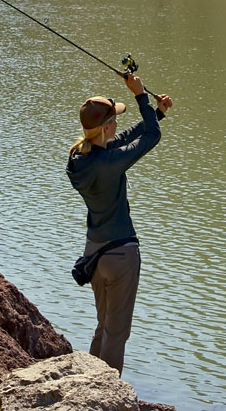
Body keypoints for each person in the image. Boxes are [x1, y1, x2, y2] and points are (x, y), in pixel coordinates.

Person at [66, 71, 173, 375]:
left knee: (103, 327)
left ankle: (88, 385)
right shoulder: (109, 161)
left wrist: (158, 113)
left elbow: (125, 140)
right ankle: (106, 396)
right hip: (121, 255)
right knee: (117, 334)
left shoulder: (79, 158)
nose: (117, 126)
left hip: (94, 255)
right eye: (114, 121)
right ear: (107, 126)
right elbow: (150, 138)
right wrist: (141, 96)